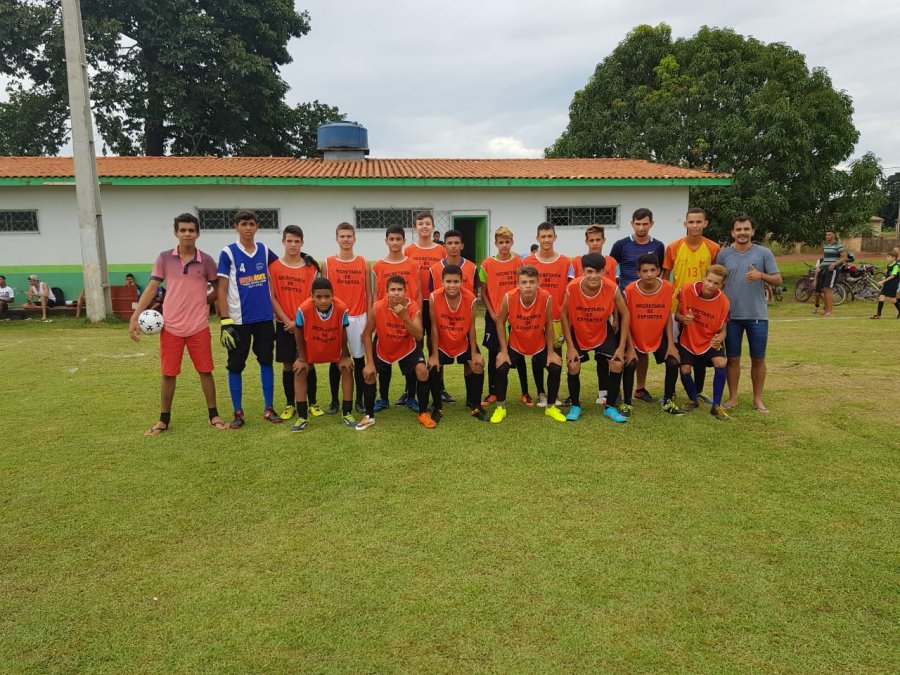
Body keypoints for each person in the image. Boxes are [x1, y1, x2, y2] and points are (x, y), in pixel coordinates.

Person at [128, 213, 226, 435]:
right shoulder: (164, 258)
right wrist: (135, 316)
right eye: (183, 230)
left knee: (205, 371)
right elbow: (152, 288)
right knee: (168, 374)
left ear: (197, 233)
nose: (187, 234)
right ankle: (163, 420)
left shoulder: (206, 260)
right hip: (171, 327)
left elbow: (218, 288)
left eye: (191, 230)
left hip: (198, 326)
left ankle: (213, 415)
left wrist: (203, 301)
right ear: (176, 233)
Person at [216, 209, 280, 429]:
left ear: (257, 227)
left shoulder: (264, 250)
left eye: (251, 224)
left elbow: (282, 266)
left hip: (264, 318)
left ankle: (269, 408)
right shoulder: (228, 252)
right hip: (238, 321)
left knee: (266, 361)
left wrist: (306, 260)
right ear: (236, 227)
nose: (248, 228)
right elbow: (221, 289)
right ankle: (238, 411)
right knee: (235, 365)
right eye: (243, 224)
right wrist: (225, 321)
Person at [718, 216, 782, 413]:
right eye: (738, 229)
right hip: (731, 317)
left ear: (753, 231)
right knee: (733, 359)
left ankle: (757, 399)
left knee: (758, 358)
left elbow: (778, 279)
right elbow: (717, 282)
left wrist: (761, 275)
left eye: (746, 229)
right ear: (732, 232)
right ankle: (733, 398)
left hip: (757, 316)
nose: (742, 233)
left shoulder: (763, 253)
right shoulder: (724, 255)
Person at [489, 265, 564, 424]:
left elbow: (549, 325)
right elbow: (500, 322)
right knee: (501, 367)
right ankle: (500, 407)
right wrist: (504, 351)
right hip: (516, 344)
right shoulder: (509, 297)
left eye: (531, 282)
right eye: (524, 282)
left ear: (538, 283)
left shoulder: (546, 297)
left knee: (555, 366)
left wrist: (551, 352)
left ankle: (550, 407)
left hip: (538, 344)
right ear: (517, 284)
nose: (528, 286)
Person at [561, 253, 630, 423]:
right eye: (589, 271)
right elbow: (563, 315)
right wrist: (570, 347)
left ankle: (610, 407)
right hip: (579, 331)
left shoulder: (611, 287)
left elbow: (626, 314)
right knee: (573, 364)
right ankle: (575, 406)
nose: (593, 276)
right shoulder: (572, 287)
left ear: (604, 271)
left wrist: (621, 347)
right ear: (583, 271)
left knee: (617, 363)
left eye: (597, 272)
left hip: (602, 331)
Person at [359, 275, 433, 430]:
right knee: (370, 374)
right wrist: (369, 363)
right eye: (393, 289)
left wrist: (404, 317)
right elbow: (366, 334)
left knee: (422, 371)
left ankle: (423, 413)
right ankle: (369, 416)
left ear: (405, 291)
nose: (396, 293)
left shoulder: (412, 307)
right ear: (387, 292)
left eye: (400, 289)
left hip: (406, 346)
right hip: (384, 347)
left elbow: (419, 335)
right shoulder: (378, 307)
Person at [663, 207, 720, 403]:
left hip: (703, 308)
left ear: (705, 223)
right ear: (685, 224)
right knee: (675, 350)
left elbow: (716, 277)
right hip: (677, 307)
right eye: (691, 222)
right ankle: (670, 392)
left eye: (698, 222)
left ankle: (699, 390)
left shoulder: (713, 248)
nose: (694, 225)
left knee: (701, 348)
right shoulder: (673, 247)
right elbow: (665, 278)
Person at [609, 208, 667, 401]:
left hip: (647, 305)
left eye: (645, 224)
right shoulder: (621, 245)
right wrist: (614, 310)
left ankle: (640, 389)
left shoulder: (658, 246)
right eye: (638, 224)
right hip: (624, 302)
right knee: (620, 347)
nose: (641, 227)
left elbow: (660, 274)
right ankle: (617, 390)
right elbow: (610, 271)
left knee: (642, 349)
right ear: (632, 224)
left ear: (651, 224)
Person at [290, 278, 357, 431]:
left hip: (333, 347)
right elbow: (298, 332)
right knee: (300, 370)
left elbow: (343, 332)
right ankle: (302, 417)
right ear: (312, 296)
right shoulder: (303, 309)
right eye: (318, 297)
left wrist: (344, 355)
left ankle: (347, 412)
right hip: (311, 347)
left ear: (333, 295)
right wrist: (302, 358)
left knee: (347, 368)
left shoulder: (342, 308)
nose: (323, 300)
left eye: (327, 296)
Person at [268, 225, 320, 421]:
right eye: (289, 241)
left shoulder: (311, 268)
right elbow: (272, 297)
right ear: (283, 242)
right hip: (284, 324)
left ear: (302, 243)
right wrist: (287, 320)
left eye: (297, 241)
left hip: (305, 324)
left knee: (309, 364)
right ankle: (290, 404)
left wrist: (298, 321)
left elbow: (313, 298)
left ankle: (312, 402)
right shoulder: (273, 267)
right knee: (288, 365)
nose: (293, 245)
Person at [321, 222, 372, 413]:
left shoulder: (363, 262)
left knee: (359, 360)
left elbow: (368, 293)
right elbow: (323, 294)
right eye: (342, 236)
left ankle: (359, 400)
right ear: (336, 238)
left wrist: (369, 320)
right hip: (336, 318)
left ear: (354, 238)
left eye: (349, 236)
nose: (346, 239)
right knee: (336, 359)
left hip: (359, 317)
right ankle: (334, 401)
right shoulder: (327, 263)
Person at [427, 264, 488, 422]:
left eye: (456, 281)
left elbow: (471, 328)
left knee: (478, 364)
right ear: (442, 282)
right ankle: (437, 407)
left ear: (461, 282)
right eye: (448, 281)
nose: (452, 285)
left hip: (462, 340)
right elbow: (434, 327)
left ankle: (475, 405)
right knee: (433, 365)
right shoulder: (434, 297)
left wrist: (474, 353)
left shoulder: (470, 298)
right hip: (443, 341)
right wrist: (434, 355)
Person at [623, 254, 683, 414]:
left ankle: (667, 400)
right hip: (635, 335)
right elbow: (626, 320)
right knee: (630, 362)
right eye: (645, 271)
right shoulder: (630, 290)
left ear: (658, 271)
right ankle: (627, 402)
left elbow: (667, 315)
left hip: (658, 334)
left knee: (673, 361)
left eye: (652, 270)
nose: (649, 274)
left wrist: (671, 344)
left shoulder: (667, 287)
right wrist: (630, 347)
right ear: (638, 273)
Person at [479, 226, 531, 406]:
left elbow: (523, 287)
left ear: (512, 243)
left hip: (516, 316)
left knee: (519, 353)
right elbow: (483, 293)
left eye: (507, 242)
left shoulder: (519, 262)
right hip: (494, 316)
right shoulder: (486, 264)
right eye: (501, 242)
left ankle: (525, 392)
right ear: (496, 243)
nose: (504, 245)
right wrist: (493, 313)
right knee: (494, 353)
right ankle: (493, 392)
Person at [372, 225, 421, 412]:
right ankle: (383, 398)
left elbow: (418, 292)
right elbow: (375, 294)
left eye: (398, 239)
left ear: (404, 241)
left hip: (408, 317)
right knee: (383, 362)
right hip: (386, 320)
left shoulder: (413, 265)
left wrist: (417, 316)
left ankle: (410, 396)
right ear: (386, 241)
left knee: (411, 361)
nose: (394, 242)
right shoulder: (378, 266)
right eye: (391, 239)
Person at [523, 222, 573, 406]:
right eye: (543, 236)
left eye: (549, 236)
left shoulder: (565, 262)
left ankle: (554, 393)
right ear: (537, 238)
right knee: (537, 355)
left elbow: (569, 290)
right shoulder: (528, 261)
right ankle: (541, 393)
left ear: (555, 237)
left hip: (557, 318)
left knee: (556, 355)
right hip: (535, 317)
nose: (546, 240)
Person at [673, 264, 731, 421]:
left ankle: (716, 406)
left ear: (722, 285)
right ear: (704, 277)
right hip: (689, 338)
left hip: (710, 339)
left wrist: (721, 337)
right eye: (709, 280)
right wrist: (684, 319)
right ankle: (693, 399)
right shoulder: (687, 290)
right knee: (685, 369)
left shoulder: (724, 302)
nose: (711, 285)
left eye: (716, 283)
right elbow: (677, 315)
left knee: (721, 363)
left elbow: (723, 329)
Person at [570, 224, 617, 405]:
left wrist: (615, 317)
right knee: (575, 359)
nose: (595, 243)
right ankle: (573, 397)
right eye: (592, 240)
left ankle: (603, 393)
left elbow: (613, 292)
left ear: (604, 240)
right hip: (582, 317)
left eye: (598, 239)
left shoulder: (611, 262)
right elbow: (572, 290)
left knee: (603, 358)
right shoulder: (578, 262)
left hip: (602, 315)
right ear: (586, 241)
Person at [405, 213, 447, 404]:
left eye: (427, 223)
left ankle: (440, 387)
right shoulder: (409, 250)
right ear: (415, 228)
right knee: (415, 345)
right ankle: (410, 389)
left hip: (436, 302)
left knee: (436, 343)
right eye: (420, 223)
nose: (424, 226)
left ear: (432, 227)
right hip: (415, 303)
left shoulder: (441, 250)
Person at [813, 229, 847, 317]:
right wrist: (820, 266)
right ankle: (826, 310)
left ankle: (829, 311)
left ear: (834, 235)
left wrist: (834, 264)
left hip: (833, 270)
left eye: (829, 235)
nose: (827, 236)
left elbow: (844, 258)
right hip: (824, 269)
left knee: (828, 289)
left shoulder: (838, 245)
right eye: (826, 235)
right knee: (824, 289)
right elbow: (825, 258)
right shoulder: (826, 245)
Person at [871, 247, 900, 319]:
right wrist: (886, 271)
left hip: (892, 284)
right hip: (887, 283)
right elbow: (889, 273)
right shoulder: (889, 265)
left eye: (888, 257)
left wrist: (882, 281)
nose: (887, 258)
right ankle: (878, 315)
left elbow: (893, 276)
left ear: (894, 258)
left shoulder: (896, 266)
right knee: (881, 297)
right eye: (887, 257)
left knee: (893, 300)